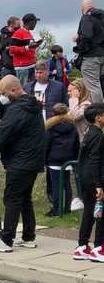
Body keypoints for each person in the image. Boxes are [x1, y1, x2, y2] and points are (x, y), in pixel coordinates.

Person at [0, 75, 45, 252]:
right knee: (25, 198)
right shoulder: (31, 105)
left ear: (13, 90)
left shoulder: (18, 110)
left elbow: (4, 133)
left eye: (3, 93)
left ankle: (6, 239)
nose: (2, 97)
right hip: (32, 159)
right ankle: (28, 236)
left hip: (21, 161)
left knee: (12, 198)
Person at [74, 104, 104, 261]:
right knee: (100, 213)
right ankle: (99, 247)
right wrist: (99, 185)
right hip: (94, 180)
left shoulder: (89, 133)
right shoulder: (98, 135)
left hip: (85, 178)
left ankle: (82, 246)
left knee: (89, 212)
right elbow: (95, 160)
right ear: (98, 117)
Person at [44, 104, 79, 217]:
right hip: (68, 159)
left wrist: (45, 159)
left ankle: (56, 209)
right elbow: (76, 144)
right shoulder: (72, 126)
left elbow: (47, 144)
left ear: (53, 113)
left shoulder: (50, 127)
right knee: (66, 183)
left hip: (54, 159)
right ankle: (67, 208)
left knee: (55, 185)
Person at [68, 79, 92, 212]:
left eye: (71, 91)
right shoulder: (78, 104)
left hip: (88, 143)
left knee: (86, 171)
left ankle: (86, 198)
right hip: (80, 142)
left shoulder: (86, 104)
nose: (69, 94)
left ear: (79, 90)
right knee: (79, 171)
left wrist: (74, 99)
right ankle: (82, 197)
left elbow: (74, 116)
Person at [73, 0, 104, 104]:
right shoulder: (102, 16)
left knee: (93, 85)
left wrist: (77, 40)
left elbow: (87, 36)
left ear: (82, 9)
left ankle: (99, 113)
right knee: (100, 82)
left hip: (91, 56)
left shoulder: (87, 17)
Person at [10, 13, 42, 86]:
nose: (35, 24)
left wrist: (36, 45)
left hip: (32, 65)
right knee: (24, 90)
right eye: (35, 22)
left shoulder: (28, 33)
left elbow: (29, 48)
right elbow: (12, 50)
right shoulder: (18, 33)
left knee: (32, 88)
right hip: (23, 68)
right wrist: (28, 47)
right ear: (30, 22)